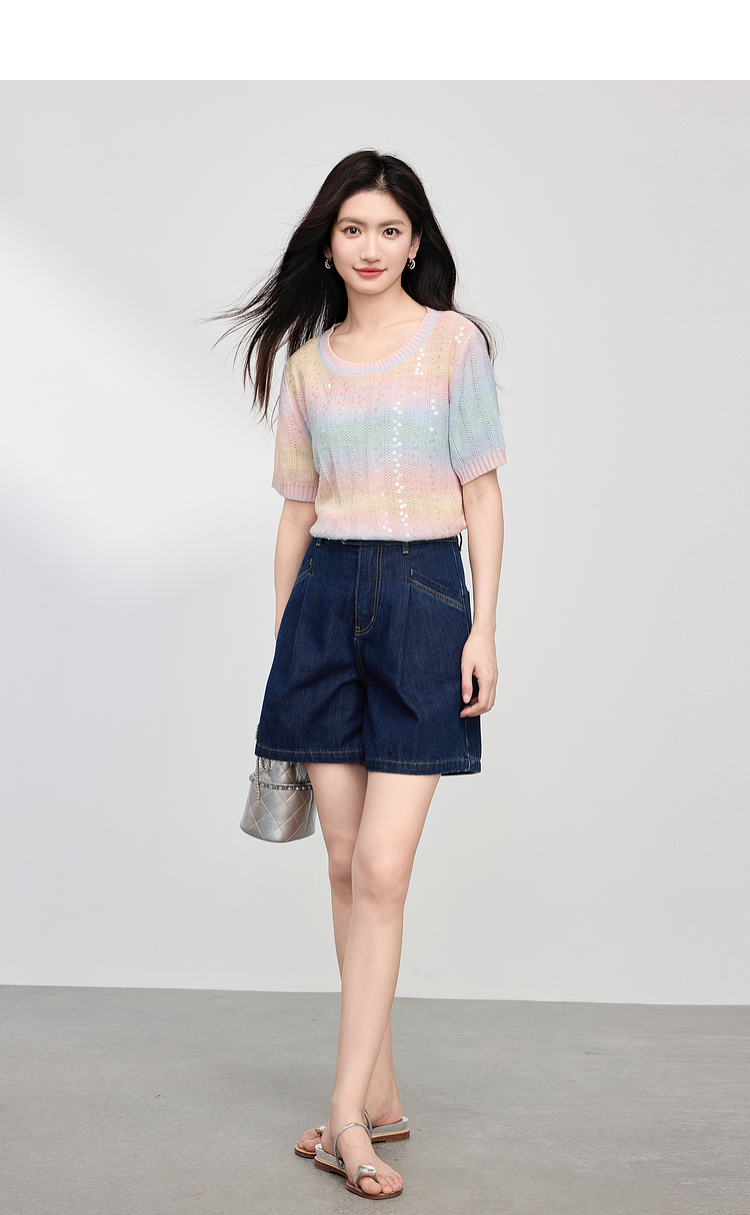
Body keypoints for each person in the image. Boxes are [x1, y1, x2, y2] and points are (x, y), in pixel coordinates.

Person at [215, 149, 506, 1199]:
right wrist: (288, 640)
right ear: (328, 244)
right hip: (324, 605)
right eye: (353, 229)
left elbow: (483, 492)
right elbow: (297, 510)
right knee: (343, 863)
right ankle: (376, 1092)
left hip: (426, 600)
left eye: (389, 229)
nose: (371, 247)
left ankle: (344, 1117)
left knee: (383, 867)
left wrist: (484, 628)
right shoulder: (308, 366)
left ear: (415, 242)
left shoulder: (453, 344)